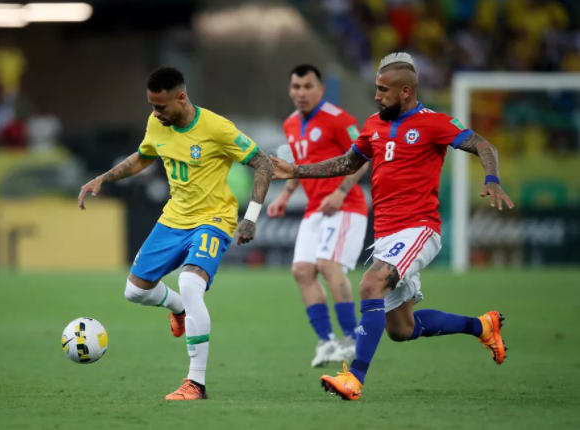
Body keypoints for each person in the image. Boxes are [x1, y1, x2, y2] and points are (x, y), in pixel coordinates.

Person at [271, 52, 514, 401]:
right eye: (376, 88)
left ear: (406, 92)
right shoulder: (373, 124)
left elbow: (483, 145)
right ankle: (482, 326)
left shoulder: (434, 122)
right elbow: (346, 162)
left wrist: (491, 178)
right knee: (401, 329)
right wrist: (296, 171)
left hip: (419, 229)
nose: (376, 95)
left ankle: (353, 379)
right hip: (386, 236)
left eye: (383, 90)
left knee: (371, 284)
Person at [78, 66, 273, 401]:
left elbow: (264, 164)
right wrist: (104, 178)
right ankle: (180, 309)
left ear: (181, 97)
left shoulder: (217, 128)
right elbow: (143, 157)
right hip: (173, 218)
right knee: (134, 291)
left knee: (190, 281)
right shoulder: (157, 123)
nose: (156, 113)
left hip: (214, 219)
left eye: (161, 106)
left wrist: (251, 218)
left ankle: (195, 382)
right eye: (152, 106)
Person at [267, 64, 370, 367]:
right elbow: (295, 166)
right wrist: (285, 195)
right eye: (296, 87)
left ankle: (351, 337)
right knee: (301, 271)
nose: (301, 92)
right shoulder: (289, 124)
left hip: (346, 205)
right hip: (314, 209)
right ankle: (326, 341)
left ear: (320, 89)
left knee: (327, 264)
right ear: (290, 90)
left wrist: (340, 191)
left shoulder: (339, 119)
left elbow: (363, 158)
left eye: (307, 86)